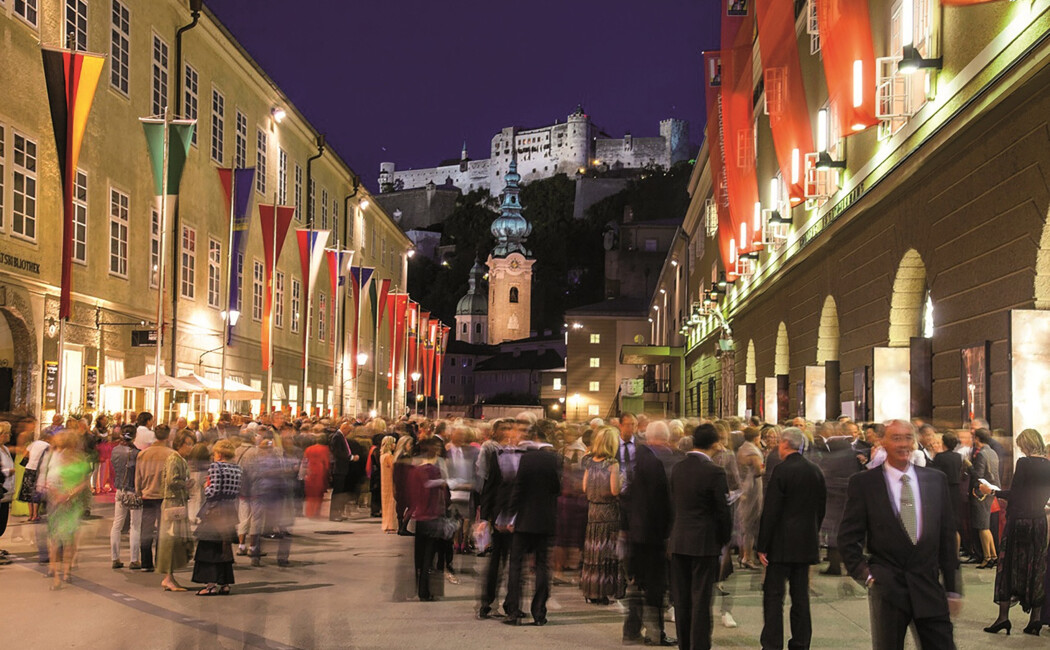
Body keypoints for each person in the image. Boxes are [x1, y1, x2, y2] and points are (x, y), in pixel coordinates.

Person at [838, 419, 961, 650]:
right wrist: (866, 575)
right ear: (882, 442)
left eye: (908, 437)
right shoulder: (864, 483)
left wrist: (953, 587)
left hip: (929, 587)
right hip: (888, 591)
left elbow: (946, 536)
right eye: (896, 438)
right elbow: (847, 537)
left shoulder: (935, 480)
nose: (903, 444)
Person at [757, 427, 827, 650]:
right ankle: (800, 642)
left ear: (785, 444)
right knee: (801, 597)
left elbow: (771, 510)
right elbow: (821, 507)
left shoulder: (781, 471)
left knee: (774, 597)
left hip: (780, 544)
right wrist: (812, 531)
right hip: (805, 543)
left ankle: (772, 643)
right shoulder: (815, 471)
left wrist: (763, 545)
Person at [668, 423, 733, 650]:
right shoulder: (715, 472)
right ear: (714, 443)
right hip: (704, 543)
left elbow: (674, 503)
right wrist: (725, 539)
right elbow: (723, 512)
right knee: (701, 601)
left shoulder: (678, 469)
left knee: (682, 600)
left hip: (679, 540)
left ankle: (684, 644)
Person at [981, 428, 1050, 635]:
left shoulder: (1024, 463)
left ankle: (1003, 618)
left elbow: (1016, 494)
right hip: (1039, 521)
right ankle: (1035, 620)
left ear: (1026, 445)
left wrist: (991, 491)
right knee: (1036, 567)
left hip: (1020, 521)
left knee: (1008, 565)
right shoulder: (1048, 464)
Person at [621, 420, 675, 646]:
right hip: (654, 534)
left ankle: (631, 631)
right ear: (666, 439)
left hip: (636, 531)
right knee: (655, 585)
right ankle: (654, 633)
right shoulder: (661, 462)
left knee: (637, 582)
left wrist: (626, 528)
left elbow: (626, 496)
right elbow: (664, 502)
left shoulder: (635, 459)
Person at [503, 423, 561, 626]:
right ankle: (539, 613)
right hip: (546, 520)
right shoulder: (555, 459)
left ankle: (513, 611)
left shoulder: (526, 459)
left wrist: (511, 516)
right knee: (543, 568)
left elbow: (518, 490)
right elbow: (557, 488)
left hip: (524, 521)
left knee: (516, 567)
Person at [39, 431, 91, 589]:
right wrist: (68, 495)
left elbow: (50, 480)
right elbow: (84, 482)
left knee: (57, 538)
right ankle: (64, 571)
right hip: (67, 501)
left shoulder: (57, 457)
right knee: (67, 538)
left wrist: (63, 495)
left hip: (61, 500)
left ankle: (58, 574)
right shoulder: (77, 458)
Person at [192, 439, 242, 596]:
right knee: (224, 546)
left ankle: (211, 585)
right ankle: (225, 583)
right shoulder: (237, 468)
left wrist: (206, 487)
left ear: (219, 454)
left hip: (215, 510)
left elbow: (212, 491)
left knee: (209, 548)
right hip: (229, 509)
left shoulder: (216, 466)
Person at [580, 426, 623, 605]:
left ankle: (590, 590)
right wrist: (622, 481)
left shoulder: (590, 462)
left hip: (593, 512)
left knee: (592, 553)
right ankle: (602, 592)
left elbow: (584, 487)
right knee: (605, 553)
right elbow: (614, 490)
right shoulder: (612, 464)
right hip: (608, 513)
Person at [408, 437, 448, 601]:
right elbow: (444, 490)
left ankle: (418, 589)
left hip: (419, 515)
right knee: (429, 556)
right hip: (432, 514)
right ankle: (426, 591)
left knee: (419, 554)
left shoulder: (414, 467)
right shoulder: (435, 469)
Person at [156, 430, 195, 591]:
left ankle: (169, 577)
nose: (190, 448)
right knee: (171, 540)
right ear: (179, 444)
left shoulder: (180, 459)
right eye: (188, 444)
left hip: (178, 502)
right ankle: (168, 577)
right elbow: (171, 480)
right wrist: (185, 484)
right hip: (173, 503)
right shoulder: (174, 459)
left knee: (175, 541)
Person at [135, 423, 176, 573]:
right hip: (165, 495)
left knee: (146, 529)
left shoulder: (143, 454)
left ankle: (146, 562)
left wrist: (139, 490)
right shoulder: (171, 454)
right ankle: (160, 560)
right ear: (168, 436)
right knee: (163, 530)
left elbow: (138, 476)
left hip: (147, 494)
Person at [110, 425, 142, 569]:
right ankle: (134, 559)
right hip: (133, 491)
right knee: (134, 526)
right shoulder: (136, 453)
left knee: (117, 525)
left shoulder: (115, 450)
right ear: (134, 436)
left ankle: (115, 558)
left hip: (119, 490)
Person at [971, 428, 1001, 568]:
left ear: (977, 439)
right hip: (992, 491)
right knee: (986, 526)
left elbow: (979, 475)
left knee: (982, 526)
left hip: (983, 493)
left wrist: (969, 467)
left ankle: (987, 557)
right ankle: (993, 555)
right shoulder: (993, 452)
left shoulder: (982, 454)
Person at [736, 427, 764, 570]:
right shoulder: (753, 451)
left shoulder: (742, 448)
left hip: (743, 487)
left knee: (744, 523)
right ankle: (748, 556)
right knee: (751, 523)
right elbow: (758, 470)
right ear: (756, 437)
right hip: (753, 488)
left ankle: (743, 555)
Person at [20, 431, 51, 522]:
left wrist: (32, 459)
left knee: (28, 492)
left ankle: (30, 515)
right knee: (37, 492)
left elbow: (25, 454)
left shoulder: (33, 443)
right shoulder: (48, 446)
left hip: (28, 468)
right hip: (39, 471)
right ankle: (35, 515)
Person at [301, 432, 331, 519]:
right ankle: (316, 512)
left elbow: (304, 461)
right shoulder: (325, 449)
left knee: (310, 493)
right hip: (320, 472)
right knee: (318, 494)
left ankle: (309, 512)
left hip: (309, 471)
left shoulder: (308, 449)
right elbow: (326, 462)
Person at [0, 422, 14, 565]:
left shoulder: (5, 449)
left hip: (6, 490)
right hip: (1, 489)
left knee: (2, 522)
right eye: (7, 433)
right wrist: (8, 472)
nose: (9, 436)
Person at [379, 435, 397, 533]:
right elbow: (394, 469)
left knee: (385, 503)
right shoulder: (389, 457)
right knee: (391, 503)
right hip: (391, 481)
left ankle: (386, 524)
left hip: (384, 482)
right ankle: (391, 525)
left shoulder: (382, 456)